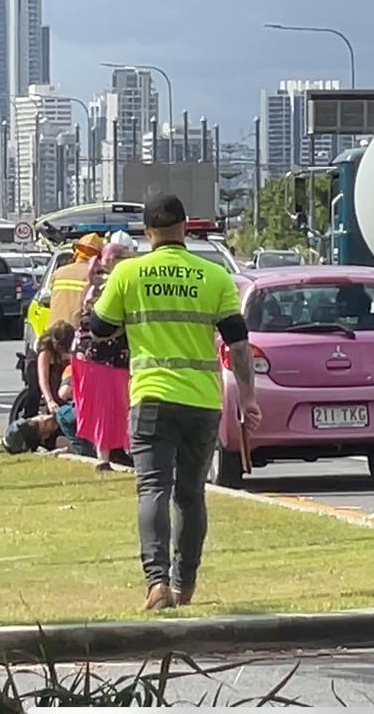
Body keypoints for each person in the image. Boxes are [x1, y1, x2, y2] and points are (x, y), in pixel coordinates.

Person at [91, 193, 262, 611]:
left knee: (152, 488)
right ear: (185, 228)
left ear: (147, 233)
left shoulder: (128, 273)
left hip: (150, 397)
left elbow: (98, 329)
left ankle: (156, 583)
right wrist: (249, 398)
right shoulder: (215, 276)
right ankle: (185, 585)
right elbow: (238, 346)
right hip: (202, 401)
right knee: (190, 494)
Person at [74, 236, 135, 471]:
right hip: (103, 357)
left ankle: (111, 452)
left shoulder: (96, 283)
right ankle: (105, 456)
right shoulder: (110, 285)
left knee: (114, 406)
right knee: (108, 406)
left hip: (100, 356)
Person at [46, 233, 104, 329]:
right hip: (79, 333)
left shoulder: (58, 273)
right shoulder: (96, 277)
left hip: (54, 331)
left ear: (76, 252)